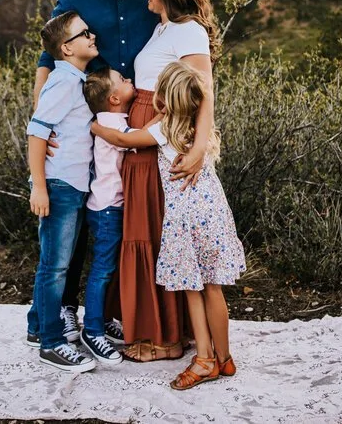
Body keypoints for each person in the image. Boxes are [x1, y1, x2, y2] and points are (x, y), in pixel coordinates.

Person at [32, 0, 160, 344]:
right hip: (87, 120)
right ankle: (65, 311)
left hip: (139, 116)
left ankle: (116, 310)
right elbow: (48, 58)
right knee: (80, 217)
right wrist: (41, 119)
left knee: (126, 216)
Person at [92, 61, 246, 388]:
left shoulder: (163, 129)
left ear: (164, 97)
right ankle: (225, 358)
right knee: (214, 288)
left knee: (192, 289)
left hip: (186, 218)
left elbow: (123, 139)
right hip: (214, 213)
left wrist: (96, 129)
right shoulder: (196, 127)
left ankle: (205, 360)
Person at [115, 0, 221, 362]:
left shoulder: (188, 31)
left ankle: (165, 338)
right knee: (149, 230)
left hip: (161, 142)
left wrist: (198, 150)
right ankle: (164, 329)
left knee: (154, 234)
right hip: (144, 142)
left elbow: (203, 94)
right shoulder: (164, 28)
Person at [25, 11, 98, 373]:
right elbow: (37, 132)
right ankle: (52, 343)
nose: (92, 35)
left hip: (71, 183)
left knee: (58, 262)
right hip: (58, 186)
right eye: (84, 33)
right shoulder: (63, 82)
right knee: (54, 267)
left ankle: (38, 327)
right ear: (67, 48)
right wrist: (39, 185)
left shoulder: (75, 79)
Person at [77, 67, 137, 364]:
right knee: (102, 271)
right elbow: (131, 139)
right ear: (114, 98)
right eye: (123, 80)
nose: (129, 79)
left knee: (109, 269)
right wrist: (165, 116)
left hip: (107, 206)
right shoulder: (112, 124)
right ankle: (92, 330)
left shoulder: (109, 118)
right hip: (107, 209)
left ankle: (102, 318)